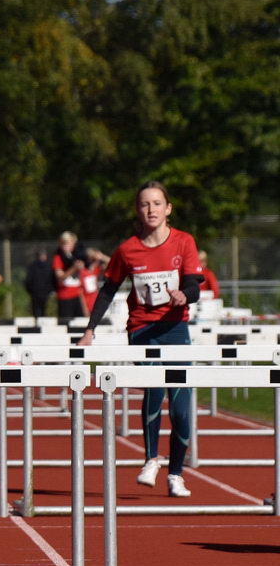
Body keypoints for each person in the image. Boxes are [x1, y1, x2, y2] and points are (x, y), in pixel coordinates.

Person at [79, 181, 203, 498]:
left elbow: (193, 286)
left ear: (168, 208)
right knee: (153, 389)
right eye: (145, 204)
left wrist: (182, 296)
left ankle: (176, 473)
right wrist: (90, 329)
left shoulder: (184, 242)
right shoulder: (128, 249)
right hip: (142, 329)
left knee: (181, 409)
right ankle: (151, 458)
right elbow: (108, 290)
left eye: (157, 203)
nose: (151, 210)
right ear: (138, 210)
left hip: (175, 328)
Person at [53, 231, 86, 318]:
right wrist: (74, 268)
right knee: (66, 322)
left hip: (77, 294)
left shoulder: (74, 256)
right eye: (63, 243)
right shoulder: (58, 257)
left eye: (68, 243)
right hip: (65, 296)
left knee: (80, 321)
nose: (65, 246)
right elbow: (60, 277)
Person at [23, 248, 53, 319]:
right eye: (40, 255)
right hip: (35, 293)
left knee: (44, 311)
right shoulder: (33, 267)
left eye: (43, 255)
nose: (42, 257)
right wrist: (31, 290)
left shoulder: (49, 266)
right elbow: (28, 281)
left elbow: (51, 280)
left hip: (45, 293)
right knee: (36, 312)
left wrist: (50, 290)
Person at [81, 247, 110, 313]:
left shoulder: (96, 270)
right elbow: (80, 292)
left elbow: (112, 262)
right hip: (86, 302)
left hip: (95, 301)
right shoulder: (82, 271)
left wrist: (102, 256)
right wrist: (84, 309)